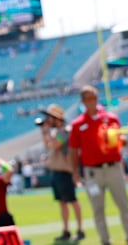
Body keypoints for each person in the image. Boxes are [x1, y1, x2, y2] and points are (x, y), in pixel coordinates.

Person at [69, 85, 128, 245]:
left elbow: (123, 140)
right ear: (83, 102)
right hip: (92, 172)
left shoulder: (111, 118)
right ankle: (105, 240)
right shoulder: (78, 124)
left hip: (113, 168)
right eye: (88, 99)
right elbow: (73, 150)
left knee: (123, 205)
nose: (92, 101)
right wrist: (75, 172)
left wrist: (114, 139)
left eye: (94, 98)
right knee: (98, 209)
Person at [39, 103, 85, 241]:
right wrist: (44, 132)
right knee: (62, 202)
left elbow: (56, 145)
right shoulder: (56, 132)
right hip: (57, 172)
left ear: (56, 118)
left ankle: (80, 229)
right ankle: (66, 230)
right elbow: (48, 146)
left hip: (66, 172)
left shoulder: (65, 131)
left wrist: (48, 133)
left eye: (49, 117)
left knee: (72, 201)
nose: (47, 120)